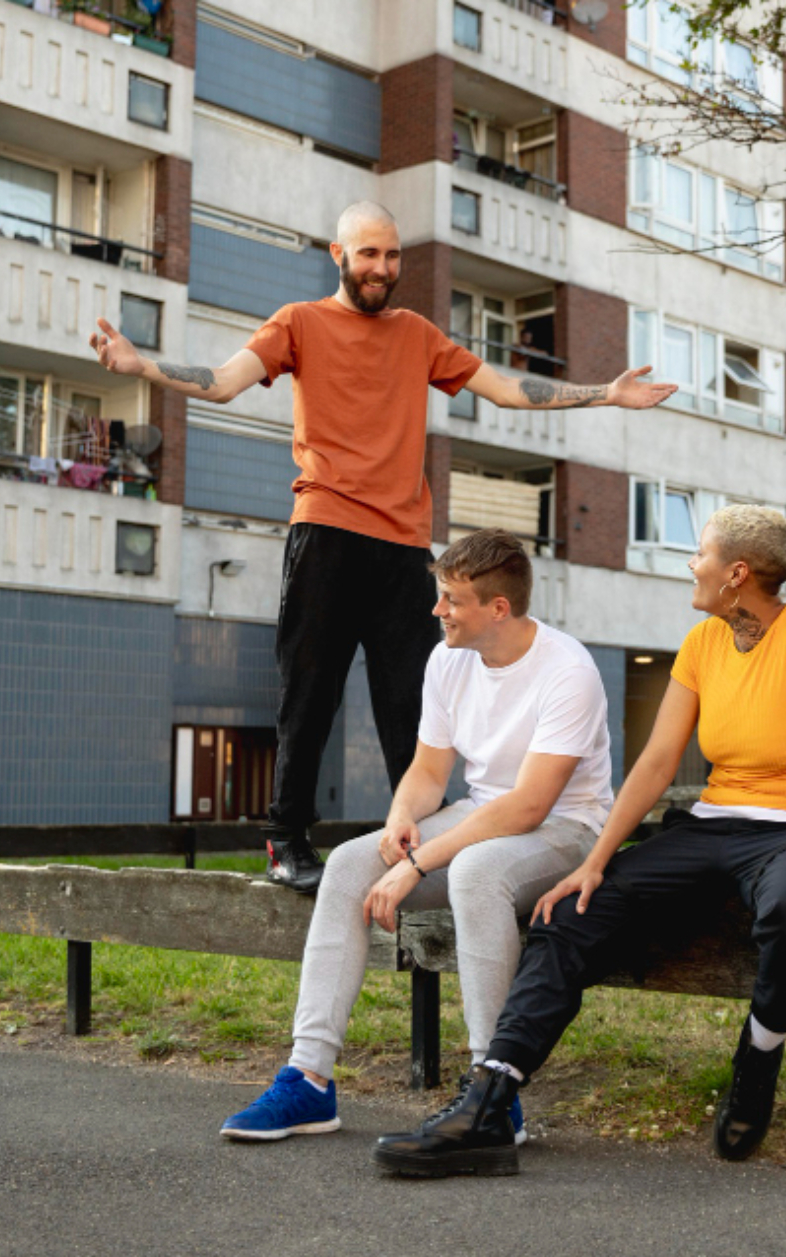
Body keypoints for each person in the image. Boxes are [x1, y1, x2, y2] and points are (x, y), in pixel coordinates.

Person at [88, 201, 674, 894]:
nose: (383, 268)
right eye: (369, 254)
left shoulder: (416, 334)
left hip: (402, 547)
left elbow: (505, 389)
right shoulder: (298, 323)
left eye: (393, 256)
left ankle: (422, 845)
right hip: (326, 532)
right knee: (311, 693)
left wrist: (606, 394)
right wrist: (142, 366)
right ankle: (285, 838)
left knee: (413, 704)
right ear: (339, 254)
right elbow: (222, 382)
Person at [372, 505, 786, 1178]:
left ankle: (759, 1055)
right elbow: (654, 765)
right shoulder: (703, 643)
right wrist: (594, 864)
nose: (692, 564)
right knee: (570, 914)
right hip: (712, 824)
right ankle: (490, 1100)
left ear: (737, 573)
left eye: (702, 554)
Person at [219, 529, 615, 1143]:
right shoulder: (448, 659)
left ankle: (493, 1092)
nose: (437, 610)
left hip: (566, 829)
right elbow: (430, 772)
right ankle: (308, 1080)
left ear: (498, 608)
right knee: (350, 864)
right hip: (482, 814)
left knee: (476, 871)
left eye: (452, 599)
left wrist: (418, 863)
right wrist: (403, 815)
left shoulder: (568, 670)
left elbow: (530, 805)